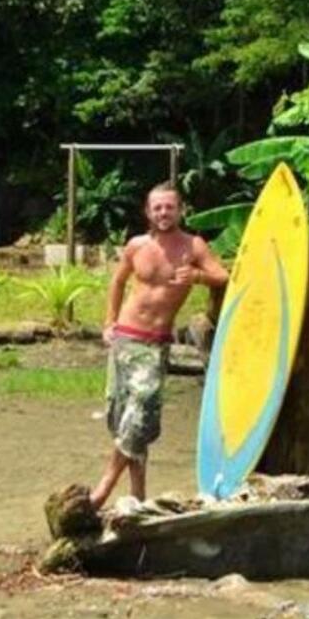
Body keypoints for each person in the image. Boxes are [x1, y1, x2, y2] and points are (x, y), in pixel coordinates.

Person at [89, 183, 228, 508]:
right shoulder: (137, 245)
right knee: (122, 417)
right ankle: (138, 494)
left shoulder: (193, 246)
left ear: (181, 210)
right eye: (157, 208)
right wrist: (108, 323)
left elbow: (222, 276)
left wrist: (197, 276)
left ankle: (104, 488)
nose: (163, 213)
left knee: (140, 415)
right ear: (148, 212)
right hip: (124, 338)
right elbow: (118, 281)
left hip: (154, 345)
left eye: (169, 207)